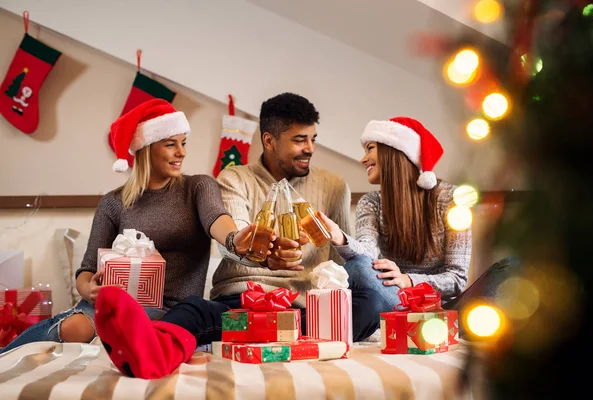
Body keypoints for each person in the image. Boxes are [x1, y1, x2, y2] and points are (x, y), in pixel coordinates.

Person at [91, 93, 386, 379]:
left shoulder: (334, 185)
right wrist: (260, 251)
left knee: (371, 302)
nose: (309, 148)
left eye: (313, 139)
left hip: (305, 307)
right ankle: (150, 350)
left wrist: (341, 250)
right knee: (194, 311)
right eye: (299, 140)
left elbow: (341, 266)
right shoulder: (234, 178)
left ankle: (272, 334)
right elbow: (231, 242)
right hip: (244, 301)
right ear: (269, 140)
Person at [0, 99, 259, 354]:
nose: (182, 152)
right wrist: (89, 290)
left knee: (110, 329)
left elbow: (217, 218)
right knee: (72, 328)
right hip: (114, 304)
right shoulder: (113, 202)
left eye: (183, 143)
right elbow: (87, 269)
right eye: (171, 144)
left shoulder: (198, 187)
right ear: (146, 148)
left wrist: (234, 239)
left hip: (174, 311)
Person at [319, 116, 519, 317]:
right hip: (399, 301)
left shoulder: (451, 199)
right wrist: (340, 237)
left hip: (445, 306)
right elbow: (367, 253)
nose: (363, 159)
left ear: (395, 151)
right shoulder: (371, 203)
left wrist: (408, 279)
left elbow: (457, 279)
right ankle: (441, 327)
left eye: (370, 148)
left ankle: (452, 325)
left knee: (510, 266)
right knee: (357, 267)